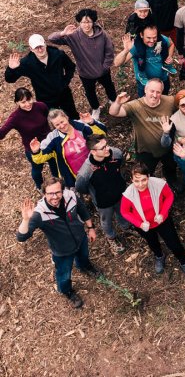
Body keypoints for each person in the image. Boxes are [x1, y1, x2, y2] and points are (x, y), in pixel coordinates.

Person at [17, 176, 99, 308]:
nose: (54, 197)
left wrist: (91, 228)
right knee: (64, 273)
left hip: (81, 238)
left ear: (62, 190)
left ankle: (84, 266)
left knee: (83, 256)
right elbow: (21, 237)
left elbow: (82, 210)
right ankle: (67, 291)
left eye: (57, 192)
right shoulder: (39, 213)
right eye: (50, 193)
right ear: (44, 194)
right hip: (62, 251)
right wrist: (26, 220)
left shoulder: (70, 196)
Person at [120, 164, 185, 278]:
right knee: (152, 242)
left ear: (148, 177)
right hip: (144, 225)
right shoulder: (128, 194)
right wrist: (139, 224)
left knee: (174, 243)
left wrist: (163, 213)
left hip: (162, 221)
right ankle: (159, 256)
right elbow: (125, 211)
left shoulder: (159, 184)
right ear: (131, 180)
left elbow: (169, 196)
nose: (140, 184)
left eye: (144, 180)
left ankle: (183, 262)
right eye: (136, 181)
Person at [109, 79, 179, 192]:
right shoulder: (136, 105)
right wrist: (117, 103)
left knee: (170, 166)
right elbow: (113, 112)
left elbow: (184, 107)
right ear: (145, 90)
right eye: (152, 91)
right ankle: (150, 189)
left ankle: (172, 180)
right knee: (147, 171)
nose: (155, 95)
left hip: (167, 146)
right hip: (146, 151)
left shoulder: (170, 101)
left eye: (158, 92)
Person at [48, 8, 116, 120]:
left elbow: (109, 51)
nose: (86, 25)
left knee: (109, 86)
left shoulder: (102, 34)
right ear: (79, 22)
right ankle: (95, 108)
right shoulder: (73, 36)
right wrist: (62, 33)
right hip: (86, 72)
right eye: (83, 22)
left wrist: (105, 67)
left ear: (93, 22)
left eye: (89, 22)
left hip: (103, 70)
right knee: (90, 92)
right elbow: (51, 38)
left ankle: (113, 101)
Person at [76, 134, 129, 255]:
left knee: (122, 211)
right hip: (103, 201)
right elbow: (80, 187)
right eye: (102, 148)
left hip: (120, 193)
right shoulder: (86, 171)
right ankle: (111, 236)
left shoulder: (116, 153)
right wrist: (93, 192)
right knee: (106, 220)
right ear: (93, 151)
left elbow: (121, 164)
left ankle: (126, 226)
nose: (107, 148)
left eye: (106, 144)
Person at [5, 34, 78, 120]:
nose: (40, 50)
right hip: (46, 99)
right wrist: (11, 69)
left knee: (72, 116)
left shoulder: (58, 54)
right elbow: (10, 79)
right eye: (36, 48)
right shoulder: (27, 63)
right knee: (53, 120)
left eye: (41, 46)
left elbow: (70, 67)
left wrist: (65, 82)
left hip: (64, 94)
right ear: (31, 49)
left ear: (45, 44)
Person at [30, 109, 106, 188]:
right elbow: (39, 159)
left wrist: (91, 122)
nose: (62, 126)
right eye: (57, 125)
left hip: (96, 166)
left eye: (62, 122)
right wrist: (36, 151)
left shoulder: (80, 125)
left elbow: (102, 134)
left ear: (66, 117)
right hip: (76, 177)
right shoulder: (53, 138)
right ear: (53, 126)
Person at [0, 88, 58, 189]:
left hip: (49, 143)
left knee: (54, 164)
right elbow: (1, 134)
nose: (27, 104)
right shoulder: (15, 117)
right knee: (37, 169)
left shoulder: (41, 106)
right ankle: (40, 187)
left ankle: (58, 183)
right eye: (23, 102)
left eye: (29, 99)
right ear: (17, 102)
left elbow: (48, 119)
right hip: (33, 149)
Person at [114, 25, 176, 97]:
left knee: (163, 100)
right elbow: (117, 63)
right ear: (141, 35)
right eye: (148, 38)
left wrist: (169, 56)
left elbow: (171, 44)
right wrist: (126, 50)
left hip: (163, 80)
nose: (152, 41)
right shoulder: (136, 47)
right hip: (145, 84)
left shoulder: (161, 40)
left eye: (154, 37)